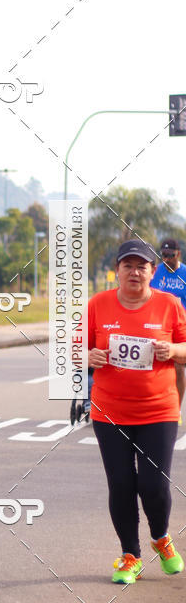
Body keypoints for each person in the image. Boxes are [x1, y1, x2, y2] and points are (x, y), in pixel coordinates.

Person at [88, 239, 186, 584]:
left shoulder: (169, 305)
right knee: (121, 485)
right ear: (117, 271)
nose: (134, 271)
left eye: (141, 266)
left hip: (158, 410)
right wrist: (87, 357)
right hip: (109, 412)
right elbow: (72, 348)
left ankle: (161, 537)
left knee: (154, 485)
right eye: (127, 265)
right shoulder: (97, 304)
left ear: (153, 271)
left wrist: (172, 349)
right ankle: (131, 555)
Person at [150, 238, 186, 411]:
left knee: (179, 367)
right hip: (158, 325)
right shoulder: (155, 272)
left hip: (180, 327)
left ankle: (175, 410)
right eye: (163, 255)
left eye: (170, 255)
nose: (166, 259)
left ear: (178, 254)